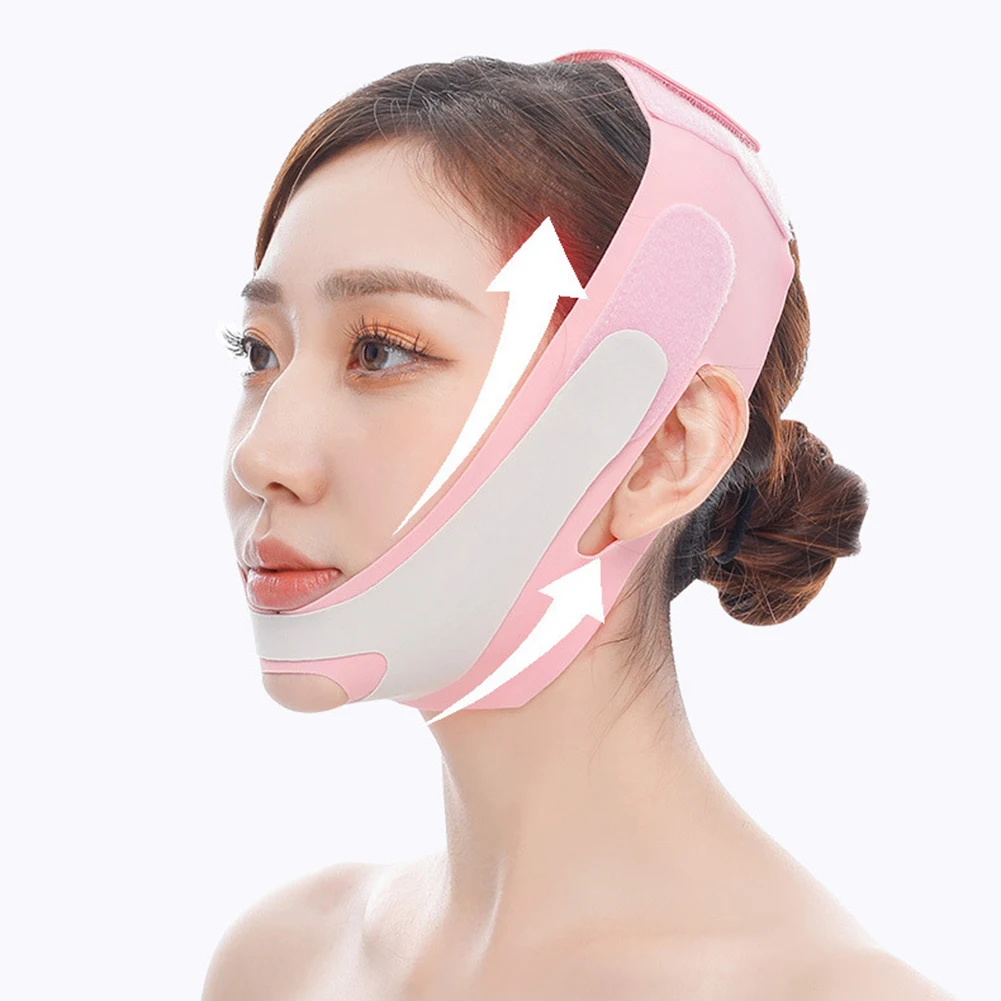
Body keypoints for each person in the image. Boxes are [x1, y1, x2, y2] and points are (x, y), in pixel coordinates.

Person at [203, 55, 955, 1001]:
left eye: (381, 350)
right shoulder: (282, 962)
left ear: (664, 450)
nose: (262, 455)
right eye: (259, 352)